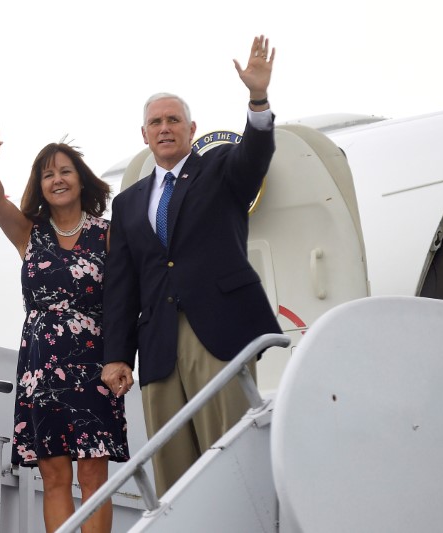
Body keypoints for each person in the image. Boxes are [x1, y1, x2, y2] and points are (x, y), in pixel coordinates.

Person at [101, 35, 282, 497]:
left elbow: (255, 154)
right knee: (173, 471)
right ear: (143, 134)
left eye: (173, 120)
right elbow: (122, 286)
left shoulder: (221, 168)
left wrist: (257, 99)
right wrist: (118, 355)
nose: (165, 128)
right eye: (155, 122)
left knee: (233, 453)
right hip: (158, 344)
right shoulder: (126, 204)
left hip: (217, 331)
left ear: (190, 127)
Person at [0, 117, 129, 533]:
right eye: (48, 174)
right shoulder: (29, 234)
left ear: (80, 180)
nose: (57, 179)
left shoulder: (107, 235)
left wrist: (120, 358)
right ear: (39, 185)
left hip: (94, 363)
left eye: (64, 171)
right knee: (55, 477)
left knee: (94, 476)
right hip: (42, 367)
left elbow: (122, 301)